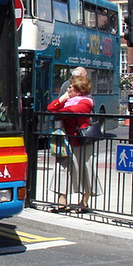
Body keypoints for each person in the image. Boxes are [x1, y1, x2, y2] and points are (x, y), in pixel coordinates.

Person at [47, 74, 100, 211]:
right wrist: (62, 99)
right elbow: (51, 108)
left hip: (81, 141)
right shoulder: (69, 100)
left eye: (70, 87)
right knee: (62, 169)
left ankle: (84, 201)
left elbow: (68, 112)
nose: (67, 89)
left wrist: (61, 107)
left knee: (85, 170)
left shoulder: (85, 103)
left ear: (78, 90)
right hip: (66, 140)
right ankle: (62, 201)